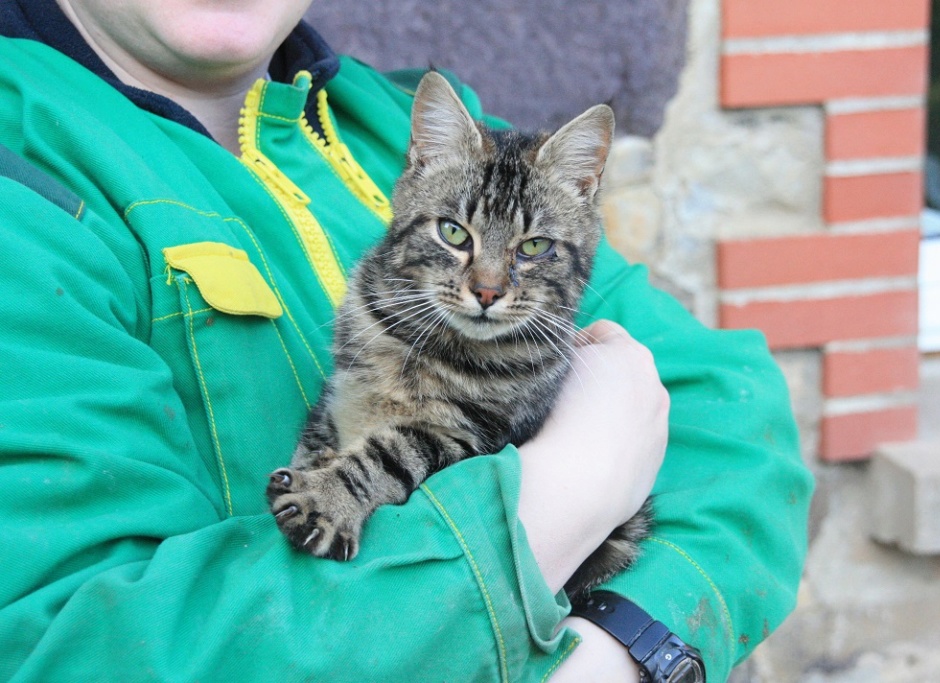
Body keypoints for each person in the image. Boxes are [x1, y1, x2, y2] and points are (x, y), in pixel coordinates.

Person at [0, 0, 813, 681]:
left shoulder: (405, 124)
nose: (491, 284)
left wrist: (622, 648)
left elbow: (738, 415)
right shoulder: (22, 175)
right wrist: (559, 496)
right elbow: (77, 647)